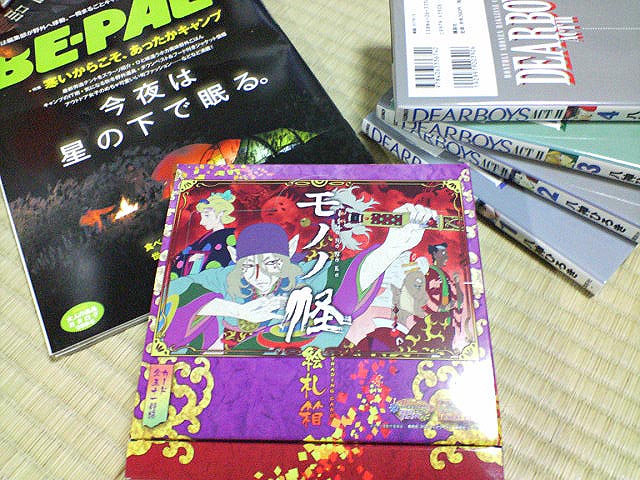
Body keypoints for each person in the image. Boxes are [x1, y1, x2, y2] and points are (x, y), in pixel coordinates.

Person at [159, 203, 437, 355]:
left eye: (272, 264)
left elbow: (346, 281)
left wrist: (392, 247)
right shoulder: (225, 278)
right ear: (235, 257)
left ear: (290, 253)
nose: (260, 276)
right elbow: (174, 293)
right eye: (249, 266)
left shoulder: (305, 273)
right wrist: (237, 310)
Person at [171, 190, 236, 277]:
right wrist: (191, 259)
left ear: (221, 213)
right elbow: (181, 256)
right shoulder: (204, 238)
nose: (202, 222)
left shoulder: (231, 236)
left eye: (207, 215)